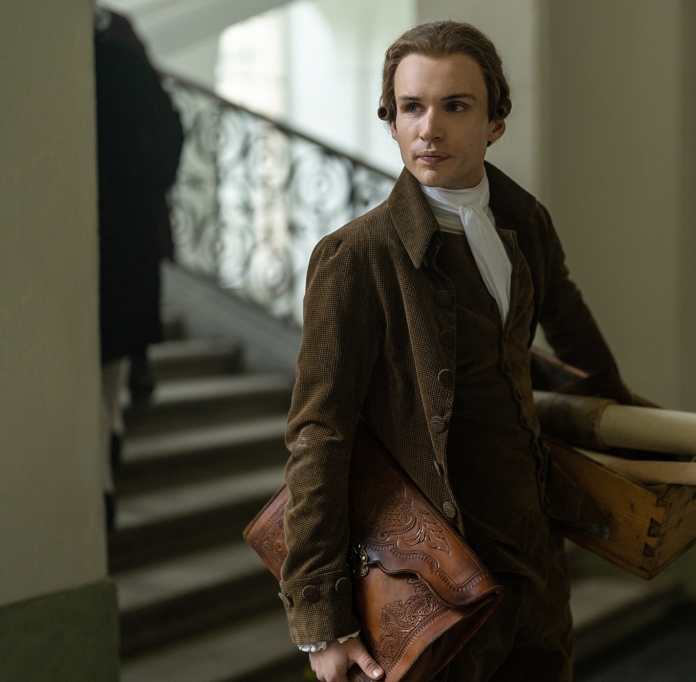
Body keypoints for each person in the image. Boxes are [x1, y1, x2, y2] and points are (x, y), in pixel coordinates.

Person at [280, 21, 625, 682]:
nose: (428, 128)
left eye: (454, 106)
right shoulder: (356, 259)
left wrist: (638, 437)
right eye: (411, 107)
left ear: (495, 122)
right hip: (430, 571)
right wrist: (321, 622)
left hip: (534, 558)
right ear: (392, 121)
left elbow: (571, 329)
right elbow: (318, 437)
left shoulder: (525, 223)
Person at [94, 7, 184, 528]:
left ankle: (108, 462)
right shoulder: (119, 49)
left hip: (123, 219)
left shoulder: (111, 48)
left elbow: (168, 125)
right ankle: (107, 461)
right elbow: (169, 124)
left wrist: (149, 183)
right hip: (128, 216)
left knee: (118, 326)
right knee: (120, 325)